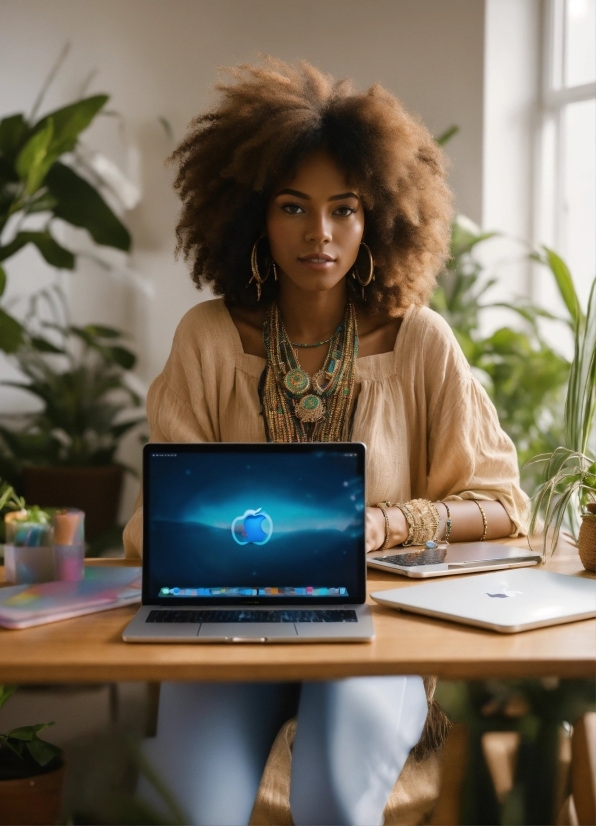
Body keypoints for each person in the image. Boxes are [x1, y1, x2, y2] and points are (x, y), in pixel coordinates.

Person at [123, 59, 528, 826]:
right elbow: (156, 525)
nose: (320, 234)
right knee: (180, 811)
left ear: (377, 216)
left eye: (344, 209)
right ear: (251, 217)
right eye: (293, 207)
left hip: (373, 634)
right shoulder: (207, 338)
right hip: (225, 635)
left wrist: (387, 524)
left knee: (334, 802)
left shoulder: (420, 343)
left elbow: (502, 504)